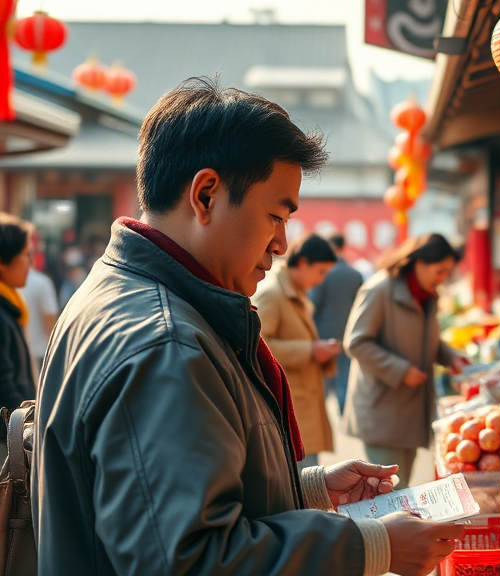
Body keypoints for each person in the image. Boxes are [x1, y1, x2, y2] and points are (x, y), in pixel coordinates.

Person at [33, 77, 464, 576]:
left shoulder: (120, 293)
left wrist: (309, 487)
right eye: (276, 216)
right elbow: (191, 559)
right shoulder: (166, 342)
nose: (281, 243)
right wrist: (371, 546)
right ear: (207, 195)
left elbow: (165, 497)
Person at [344, 234, 467, 486]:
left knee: (402, 490)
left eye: (447, 272)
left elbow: (427, 340)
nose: (443, 278)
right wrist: (400, 371)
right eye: (439, 270)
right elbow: (356, 343)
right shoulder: (379, 289)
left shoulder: (427, 294)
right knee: (387, 493)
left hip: (411, 410)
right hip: (383, 410)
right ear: (419, 263)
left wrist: (451, 357)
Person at [254, 233, 342, 471]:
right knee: (304, 482)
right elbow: (257, 344)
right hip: (290, 407)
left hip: (301, 402)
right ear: (303, 263)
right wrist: (310, 350)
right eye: (320, 271)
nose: (321, 280)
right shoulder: (273, 293)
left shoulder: (293, 292)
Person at [309, 234, 363, 411]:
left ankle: (320, 418)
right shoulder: (355, 274)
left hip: (323, 333)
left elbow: (314, 304)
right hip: (348, 333)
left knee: (322, 382)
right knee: (345, 380)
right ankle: (345, 417)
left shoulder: (323, 274)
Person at [0, 213, 34, 415]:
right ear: (3, 261)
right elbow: (4, 386)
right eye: (26, 255)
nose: (32, 264)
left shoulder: (10, 305)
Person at [21, 263, 59, 370]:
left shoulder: (8, 283)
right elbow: (50, 320)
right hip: (41, 353)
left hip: (20, 354)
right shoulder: (42, 283)